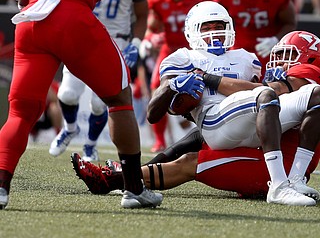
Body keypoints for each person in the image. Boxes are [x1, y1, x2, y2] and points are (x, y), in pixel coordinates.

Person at [70, 30, 320, 204]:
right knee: (200, 137)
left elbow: (272, 91)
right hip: (268, 152)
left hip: (277, 166)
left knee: (191, 162)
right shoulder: (296, 84)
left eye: (288, 54)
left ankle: (113, 180)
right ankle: (132, 173)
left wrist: (206, 78)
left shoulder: (309, 74)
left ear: (309, 57)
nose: (279, 60)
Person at [0, 0, 163, 210]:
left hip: (32, 17)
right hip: (72, 15)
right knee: (119, 99)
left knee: (19, 113)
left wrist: (24, 3)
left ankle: (1, 186)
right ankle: (134, 189)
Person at [147, 0, 319, 206]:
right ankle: (279, 186)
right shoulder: (183, 58)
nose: (214, 33)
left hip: (242, 122)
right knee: (265, 96)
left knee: (311, 94)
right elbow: (154, 113)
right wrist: (172, 87)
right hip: (214, 123)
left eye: (219, 26)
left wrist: (269, 82)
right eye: (207, 27)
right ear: (192, 31)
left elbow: (253, 96)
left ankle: (294, 180)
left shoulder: (247, 59)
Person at [48, 0, 153, 161]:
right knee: (67, 94)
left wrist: (135, 44)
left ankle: (90, 145)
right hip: (83, 35)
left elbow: (142, 15)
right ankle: (70, 128)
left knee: (100, 103)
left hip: (115, 41)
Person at [140, 0, 213, 153]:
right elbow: (152, 27)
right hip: (170, 49)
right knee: (157, 89)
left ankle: (199, 132)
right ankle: (159, 140)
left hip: (198, 50)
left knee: (200, 92)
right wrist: (150, 39)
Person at [213, 0, 297, 77]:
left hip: (270, 51)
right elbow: (215, 22)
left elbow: (290, 23)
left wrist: (276, 39)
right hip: (236, 47)